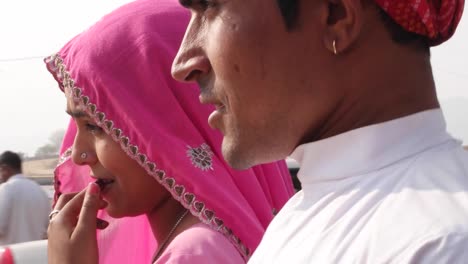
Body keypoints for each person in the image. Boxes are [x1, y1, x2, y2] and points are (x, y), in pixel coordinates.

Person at [171, 0, 468, 263]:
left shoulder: (441, 244)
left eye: (210, 8)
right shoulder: (304, 213)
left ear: (335, 15)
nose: (182, 63)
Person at [44, 0, 294, 263]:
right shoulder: (199, 243)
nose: (79, 155)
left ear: (162, 128)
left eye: (95, 127)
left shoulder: (192, 254)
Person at [0, 151, 50, 246]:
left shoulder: (6, 188)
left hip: (12, 256)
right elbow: (48, 229)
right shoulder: (39, 191)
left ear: (4, 168)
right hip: (35, 256)